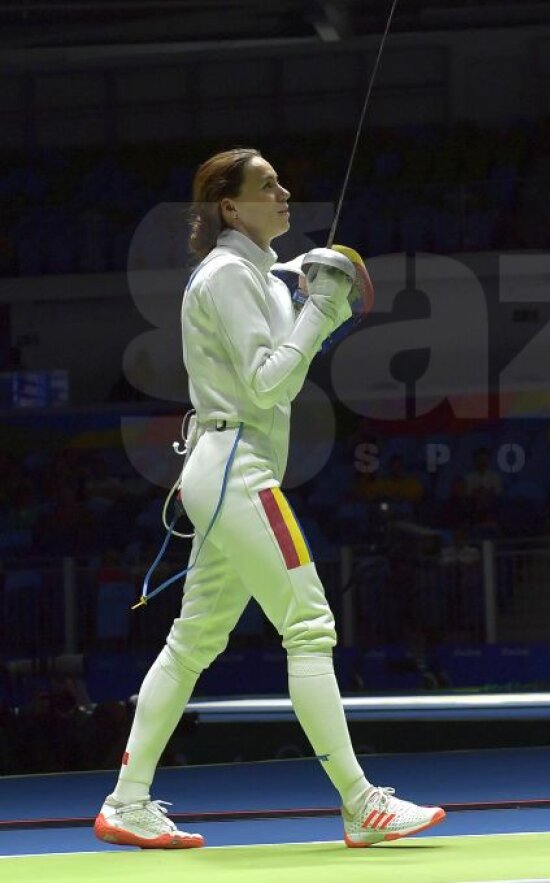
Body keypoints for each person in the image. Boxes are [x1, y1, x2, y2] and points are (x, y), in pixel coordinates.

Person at [94, 148, 444, 850]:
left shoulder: (252, 275)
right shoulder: (227, 276)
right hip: (237, 469)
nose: (285, 192)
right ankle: (359, 802)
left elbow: (282, 353)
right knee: (309, 625)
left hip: (224, 468)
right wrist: (320, 307)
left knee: (192, 641)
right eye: (267, 185)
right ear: (230, 206)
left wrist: (313, 298)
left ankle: (126, 802)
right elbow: (264, 384)